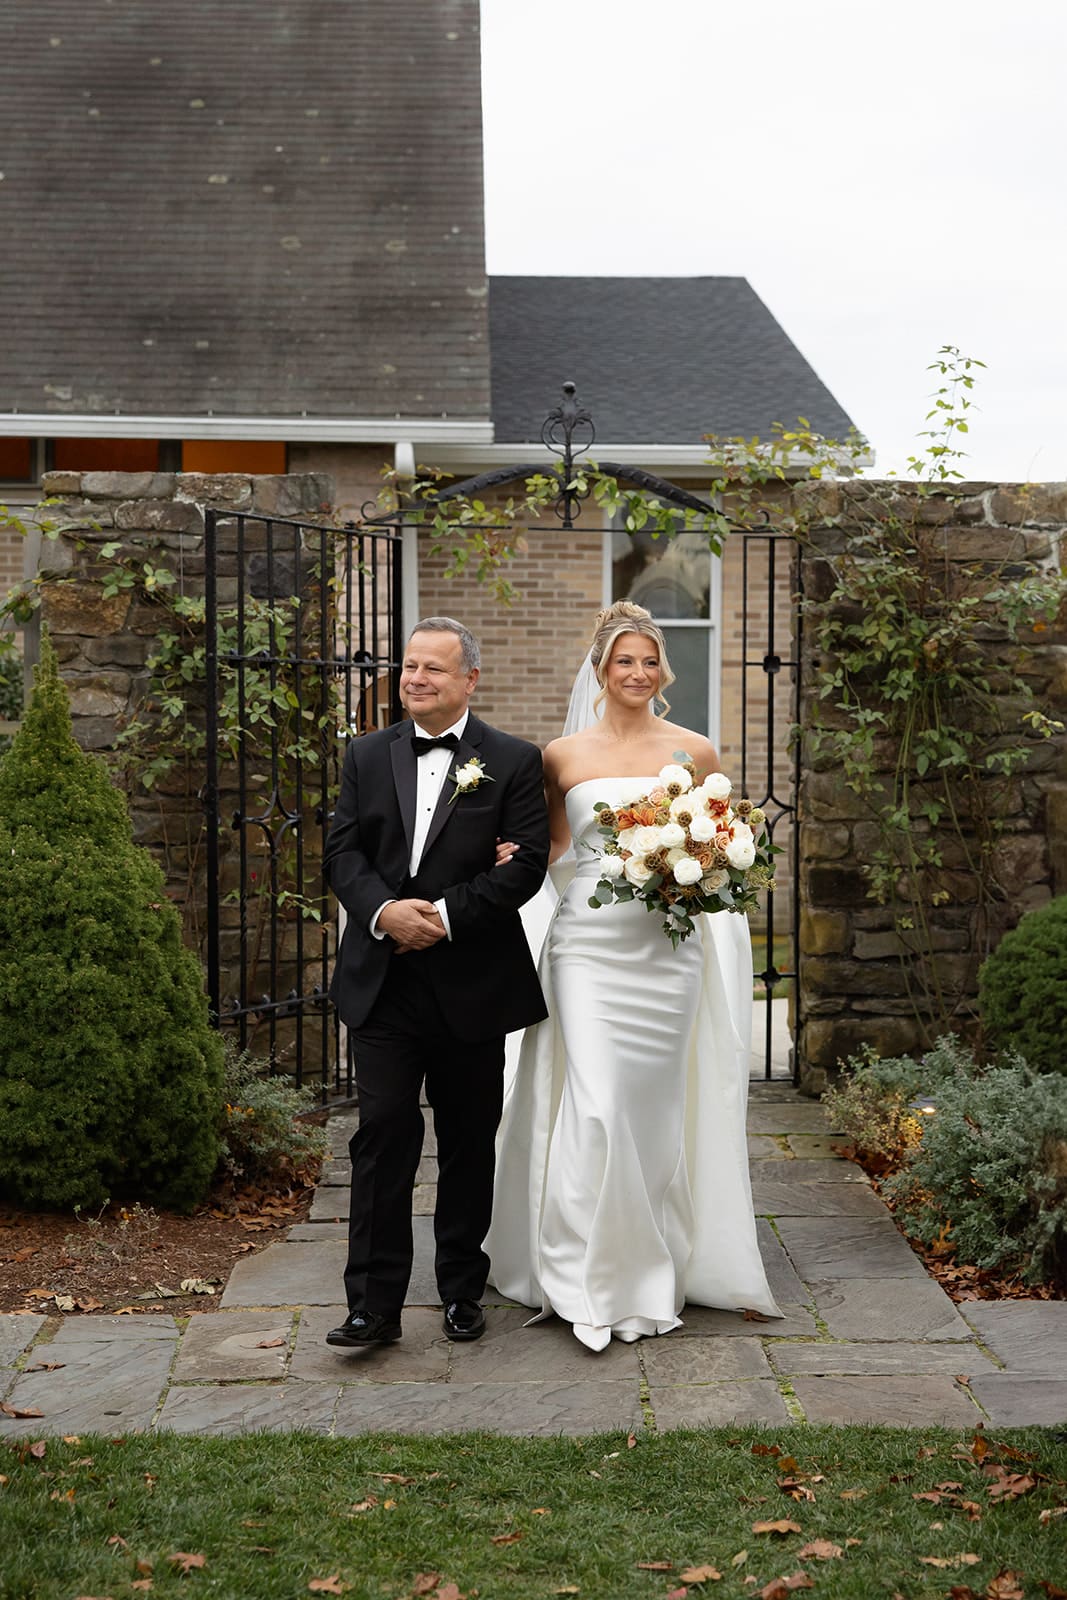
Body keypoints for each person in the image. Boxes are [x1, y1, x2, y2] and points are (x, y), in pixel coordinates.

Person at [485, 601, 782, 1350]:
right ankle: (582, 1273)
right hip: (586, 944)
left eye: (649, 661)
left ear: (662, 670)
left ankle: (648, 1268)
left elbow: (718, 845)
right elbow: (552, 846)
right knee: (596, 1103)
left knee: (650, 1113)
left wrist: (705, 869)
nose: (638, 673)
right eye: (624, 661)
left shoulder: (694, 753)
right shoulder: (560, 756)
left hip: (666, 950)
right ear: (600, 669)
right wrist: (506, 861)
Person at [322, 617, 550, 1349]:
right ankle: (372, 1307)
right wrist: (386, 911)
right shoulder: (364, 754)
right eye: (408, 666)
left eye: (433, 669)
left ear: (469, 681)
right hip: (381, 980)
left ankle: (460, 1288)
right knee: (383, 1134)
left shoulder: (513, 761)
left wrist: (446, 917)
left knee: (466, 1140)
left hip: (471, 981)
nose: (414, 678)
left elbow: (526, 865)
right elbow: (341, 853)